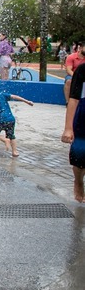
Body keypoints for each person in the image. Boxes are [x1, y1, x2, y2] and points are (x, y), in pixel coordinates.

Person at [0, 82, 34, 158]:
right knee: (11, 135)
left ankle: (5, 140)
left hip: (2, 120)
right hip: (11, 119)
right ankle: (15, 152)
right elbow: (14, 97)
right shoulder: (2, 95)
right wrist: (27, 101)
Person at [62, 63, 85, 203]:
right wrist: (68, 128)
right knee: (79, 155)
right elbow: (74, 99)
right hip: (83, 115)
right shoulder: (82, 70)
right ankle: (78, 181)